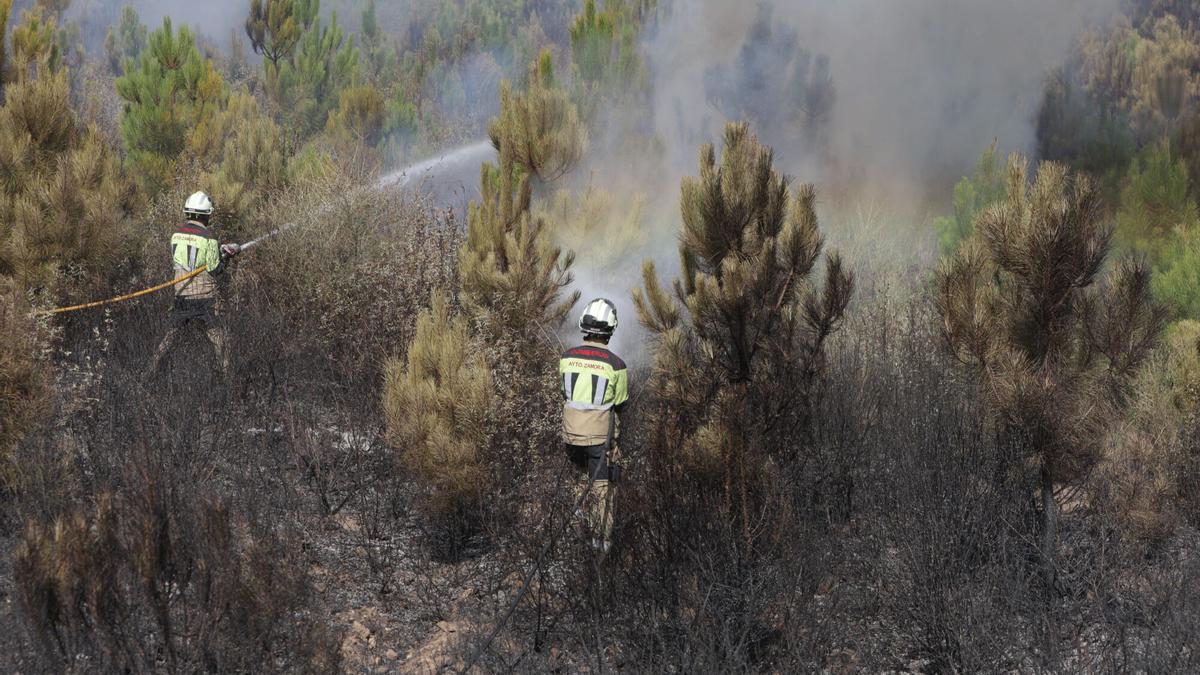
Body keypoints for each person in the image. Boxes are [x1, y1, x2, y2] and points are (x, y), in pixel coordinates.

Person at [559, 298, 629, 553]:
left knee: (580, 485)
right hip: (599, 441)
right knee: (603, 492)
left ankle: (580, 537)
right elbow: (620, 406)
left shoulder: (567, 358)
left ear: (584, 327)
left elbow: (566, 395)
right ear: (610, 330)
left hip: (570, 437)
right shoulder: (616, 365)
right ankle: (602, 552)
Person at [149, 191, 241, 376]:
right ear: (207, 214)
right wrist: (229, 255)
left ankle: (149, 372)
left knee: (169, 338)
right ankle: (226, 378)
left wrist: (218, 250)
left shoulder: (175, 235)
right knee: (220, 340)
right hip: (204, 300)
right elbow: (215, 269)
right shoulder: (209, 238)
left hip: (181, 297)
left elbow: (188, 260)